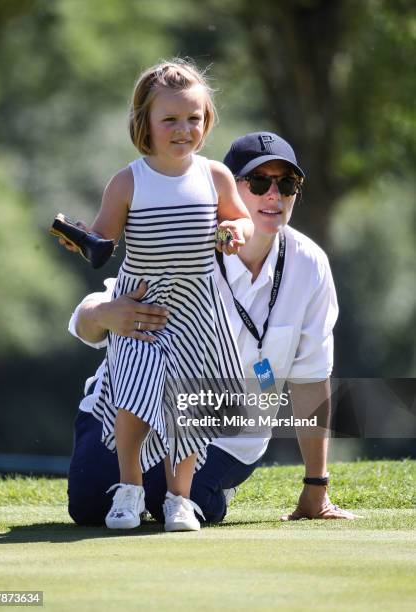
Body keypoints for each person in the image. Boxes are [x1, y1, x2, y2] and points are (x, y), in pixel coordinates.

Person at [67, 131, 356, 526]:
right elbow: (85, 321)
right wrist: (104, 315)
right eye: (258, 182)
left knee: (181, 498)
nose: (274, 194)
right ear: (228, 190)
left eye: (286, 183)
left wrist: (316, 486)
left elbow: (310, 377)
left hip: (231, 432)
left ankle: (191, 493)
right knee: (88, 508)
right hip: (133, 409)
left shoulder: (310, 263)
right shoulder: (185, 239)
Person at [61, 59, 253, 532]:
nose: (183, 129)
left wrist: (234, 230)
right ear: (144, 123)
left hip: (197, 308)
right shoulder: (128, 181)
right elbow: (102, 242)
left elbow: (240, 218)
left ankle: (179, 499)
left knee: (188, 402)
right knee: (135, 396)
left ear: (206, 122)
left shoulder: (214, 176)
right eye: (170, 119)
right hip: (140, 308)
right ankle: (129, 489)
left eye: (194, 118)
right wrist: (83, 238)